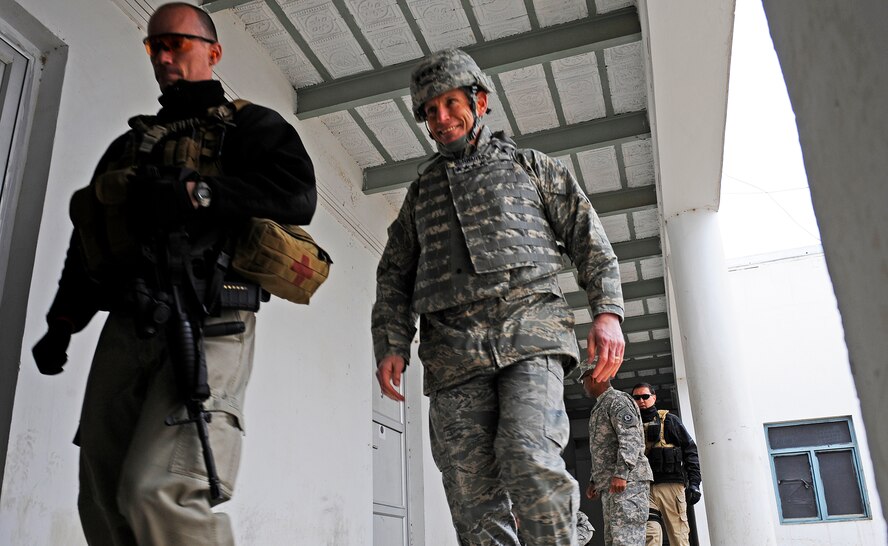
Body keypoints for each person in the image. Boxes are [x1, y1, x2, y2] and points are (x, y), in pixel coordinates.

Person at [30, 3, 316, 544]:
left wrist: (201, 193)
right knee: (101, 493)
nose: (163, 56)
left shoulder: (250, 127)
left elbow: (298, 195)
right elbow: (89, 240)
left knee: (162, 490)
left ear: (214, 51)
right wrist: (62, 323)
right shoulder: (128, 148)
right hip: (129, 322)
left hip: (211, 317)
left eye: (176, 43)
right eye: (154, 46)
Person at [371, 48, 626, 545]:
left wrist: (607, 313)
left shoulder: (532, 168)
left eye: (450, 103)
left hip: (529, 337)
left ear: (480, 101)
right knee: (472, 498)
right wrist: (392, 344)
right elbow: (394, 275)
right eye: (430, 110)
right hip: (453, 357)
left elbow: (588, 240)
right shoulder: (421, 194)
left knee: (528, 457)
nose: (441, 118)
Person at [580, 362, 652, 546]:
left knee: (627, 540)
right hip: (611, 486)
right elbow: (604, 448)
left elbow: (630, 438)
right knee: (614, 541)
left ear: (593, 377)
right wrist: (595, 480)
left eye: (583, 380)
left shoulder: (617, 401)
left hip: (628, 483)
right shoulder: (601, 405)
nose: (583, 386)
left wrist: (621, 473)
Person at [631, 384, 702, 546]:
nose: (641, 401)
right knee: (651, 536)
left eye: (645, 396)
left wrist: (695, 484)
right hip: (644, 488)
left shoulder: (669, 420)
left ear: (654, 397)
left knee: (678, 536)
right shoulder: (631, 426)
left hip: (671, 486)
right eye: (636, 398)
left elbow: (690, 451)